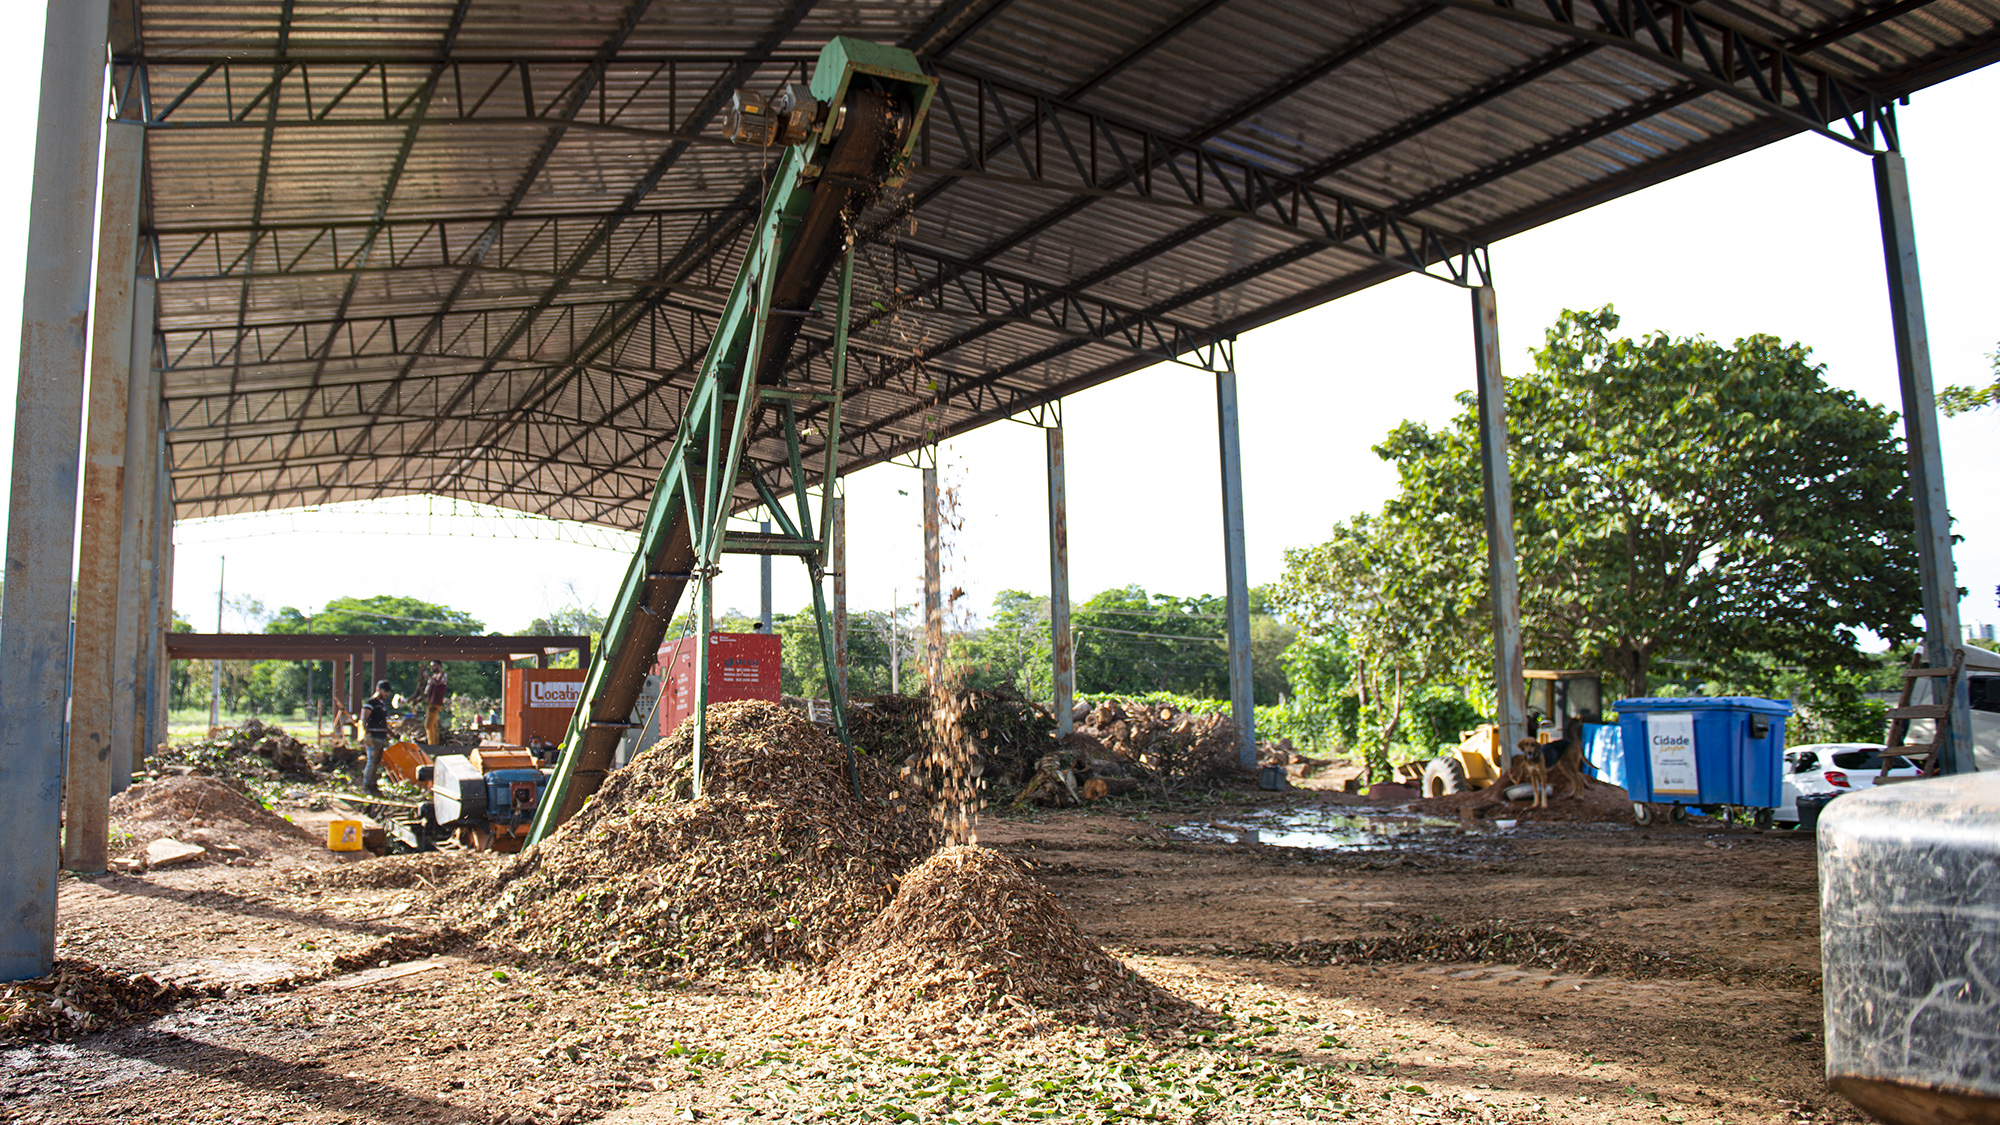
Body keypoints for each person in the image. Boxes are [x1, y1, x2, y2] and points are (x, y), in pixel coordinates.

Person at [360, 680, 393, 796]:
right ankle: (366, 785)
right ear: (378, 690)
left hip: (381, 736)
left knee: (376, 762)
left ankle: (373, 785)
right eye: (385, 691)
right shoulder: (371, 703)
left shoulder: (381, 705)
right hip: (373, 737)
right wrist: (367, 733)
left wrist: (391, 733)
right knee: (371, 761)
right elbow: (364, 719)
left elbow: (382, 722)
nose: (387, 694)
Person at [423, 660, 449, 744]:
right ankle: (435, 743)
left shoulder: (442, 674)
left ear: (439, 666)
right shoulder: (434, 676)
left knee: (428, 725)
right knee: (433, 725)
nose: (431, 668)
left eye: (433, 665)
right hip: (431, 702)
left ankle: (432, 745)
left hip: (435, 703)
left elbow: (438, 683)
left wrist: (428, 677)